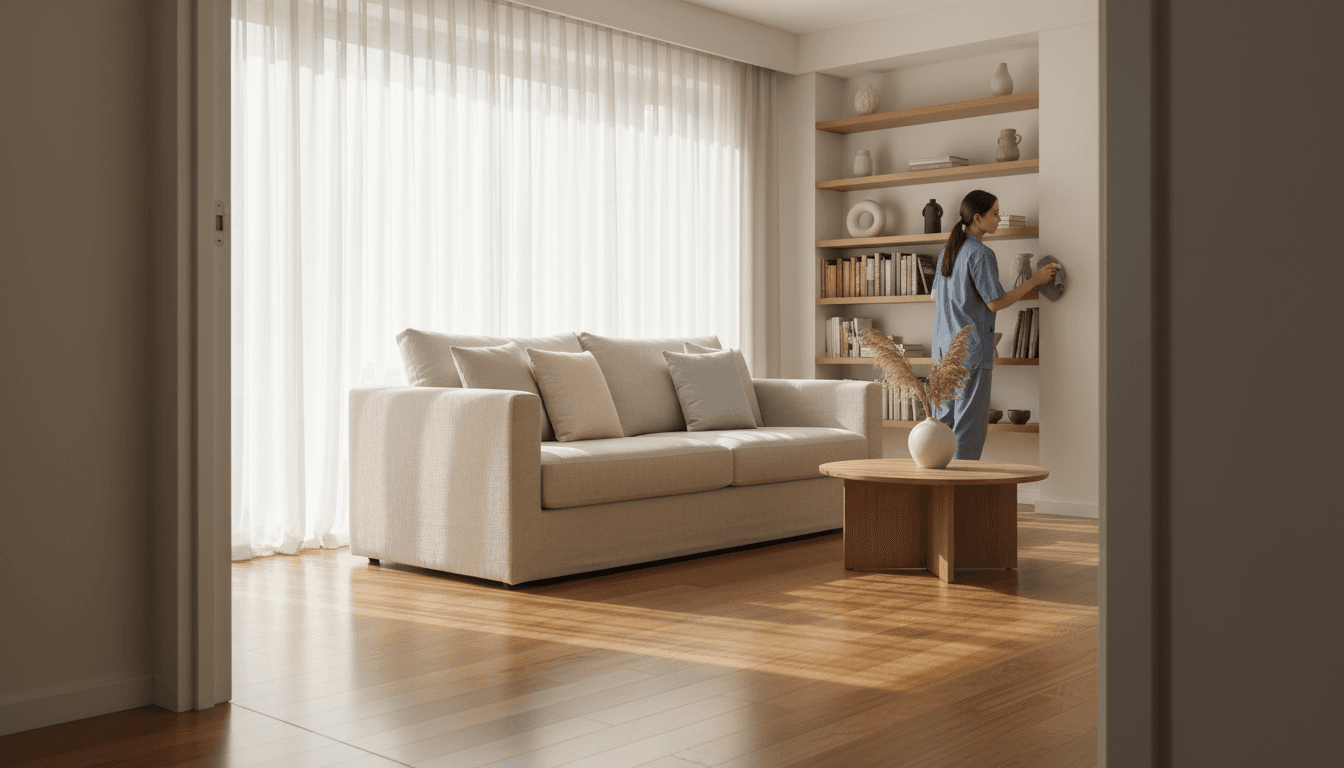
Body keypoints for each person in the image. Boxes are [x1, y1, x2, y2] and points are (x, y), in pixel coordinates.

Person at [931, 189, 1058, 460]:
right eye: (996, 213)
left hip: (942, 351)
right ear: (978, 218)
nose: (999, 218)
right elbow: (995, 302)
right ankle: (963, 494)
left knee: (943, 427)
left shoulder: (947, 252)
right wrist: (1034, 281)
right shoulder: (981, 253)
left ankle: (942, 493)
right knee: (968, 429)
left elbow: (934, 296)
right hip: (969, 352)